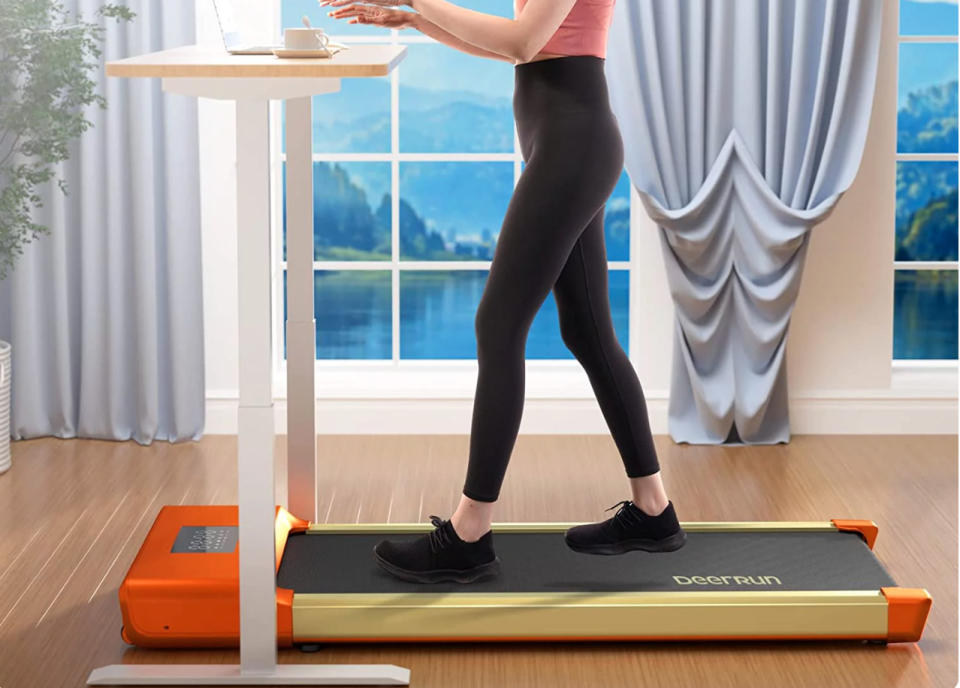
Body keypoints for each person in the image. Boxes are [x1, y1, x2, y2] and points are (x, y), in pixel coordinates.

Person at [320, 0, 686, 584]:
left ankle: (469, 532)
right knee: (589, 333)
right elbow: (518, 49)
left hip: (573, 143)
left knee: (498, 326)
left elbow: (521, 41)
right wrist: (419, 22)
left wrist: (420, 3)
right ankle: (653, 511)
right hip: (565, 141)